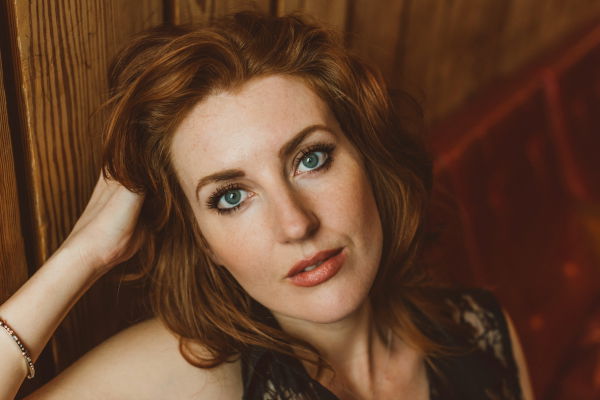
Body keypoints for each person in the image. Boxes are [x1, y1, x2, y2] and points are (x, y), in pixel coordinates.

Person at [0, 11, 534, 400]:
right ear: (204, 241)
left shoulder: (481, 334)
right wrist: (85, 252)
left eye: (311, 159)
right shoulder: (199, 377)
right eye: (231, 197)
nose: (296, 223)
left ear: (368, 161)